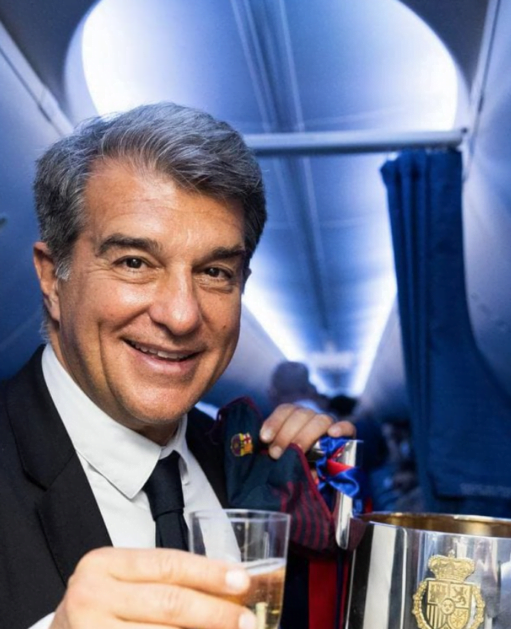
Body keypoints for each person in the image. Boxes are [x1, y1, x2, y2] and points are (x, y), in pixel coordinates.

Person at [0, 102, 353, 629]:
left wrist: (328, 519)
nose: (182, 315)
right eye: (135, 262)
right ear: (53, 277)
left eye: (214, 272)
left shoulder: (250, 468)